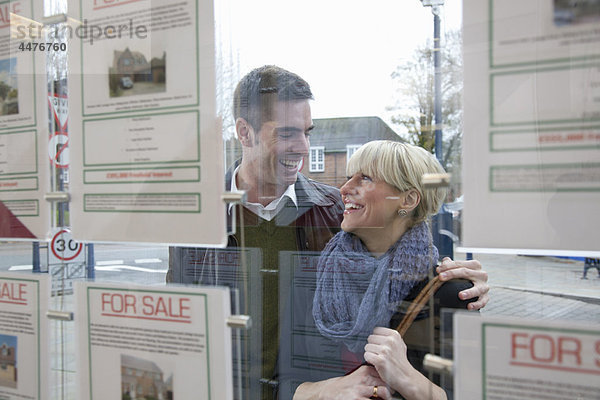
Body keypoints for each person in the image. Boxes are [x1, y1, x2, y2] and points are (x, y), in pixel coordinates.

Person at [167, 66, 489, 399]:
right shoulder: (196, 219)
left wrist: (463, 285)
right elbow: (180, 328)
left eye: (308, 132)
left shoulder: (338, 214)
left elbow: (402, 254)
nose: (303, 148)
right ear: (244, 133)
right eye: (288, 133)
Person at [294, 140, 476, 400]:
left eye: (365, 179)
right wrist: (322, 391)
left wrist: (407, 378)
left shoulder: (451, 293)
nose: (344, 189)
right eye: (348, 177)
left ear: (409, 199)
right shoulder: (317, 277)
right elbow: (282, 381)